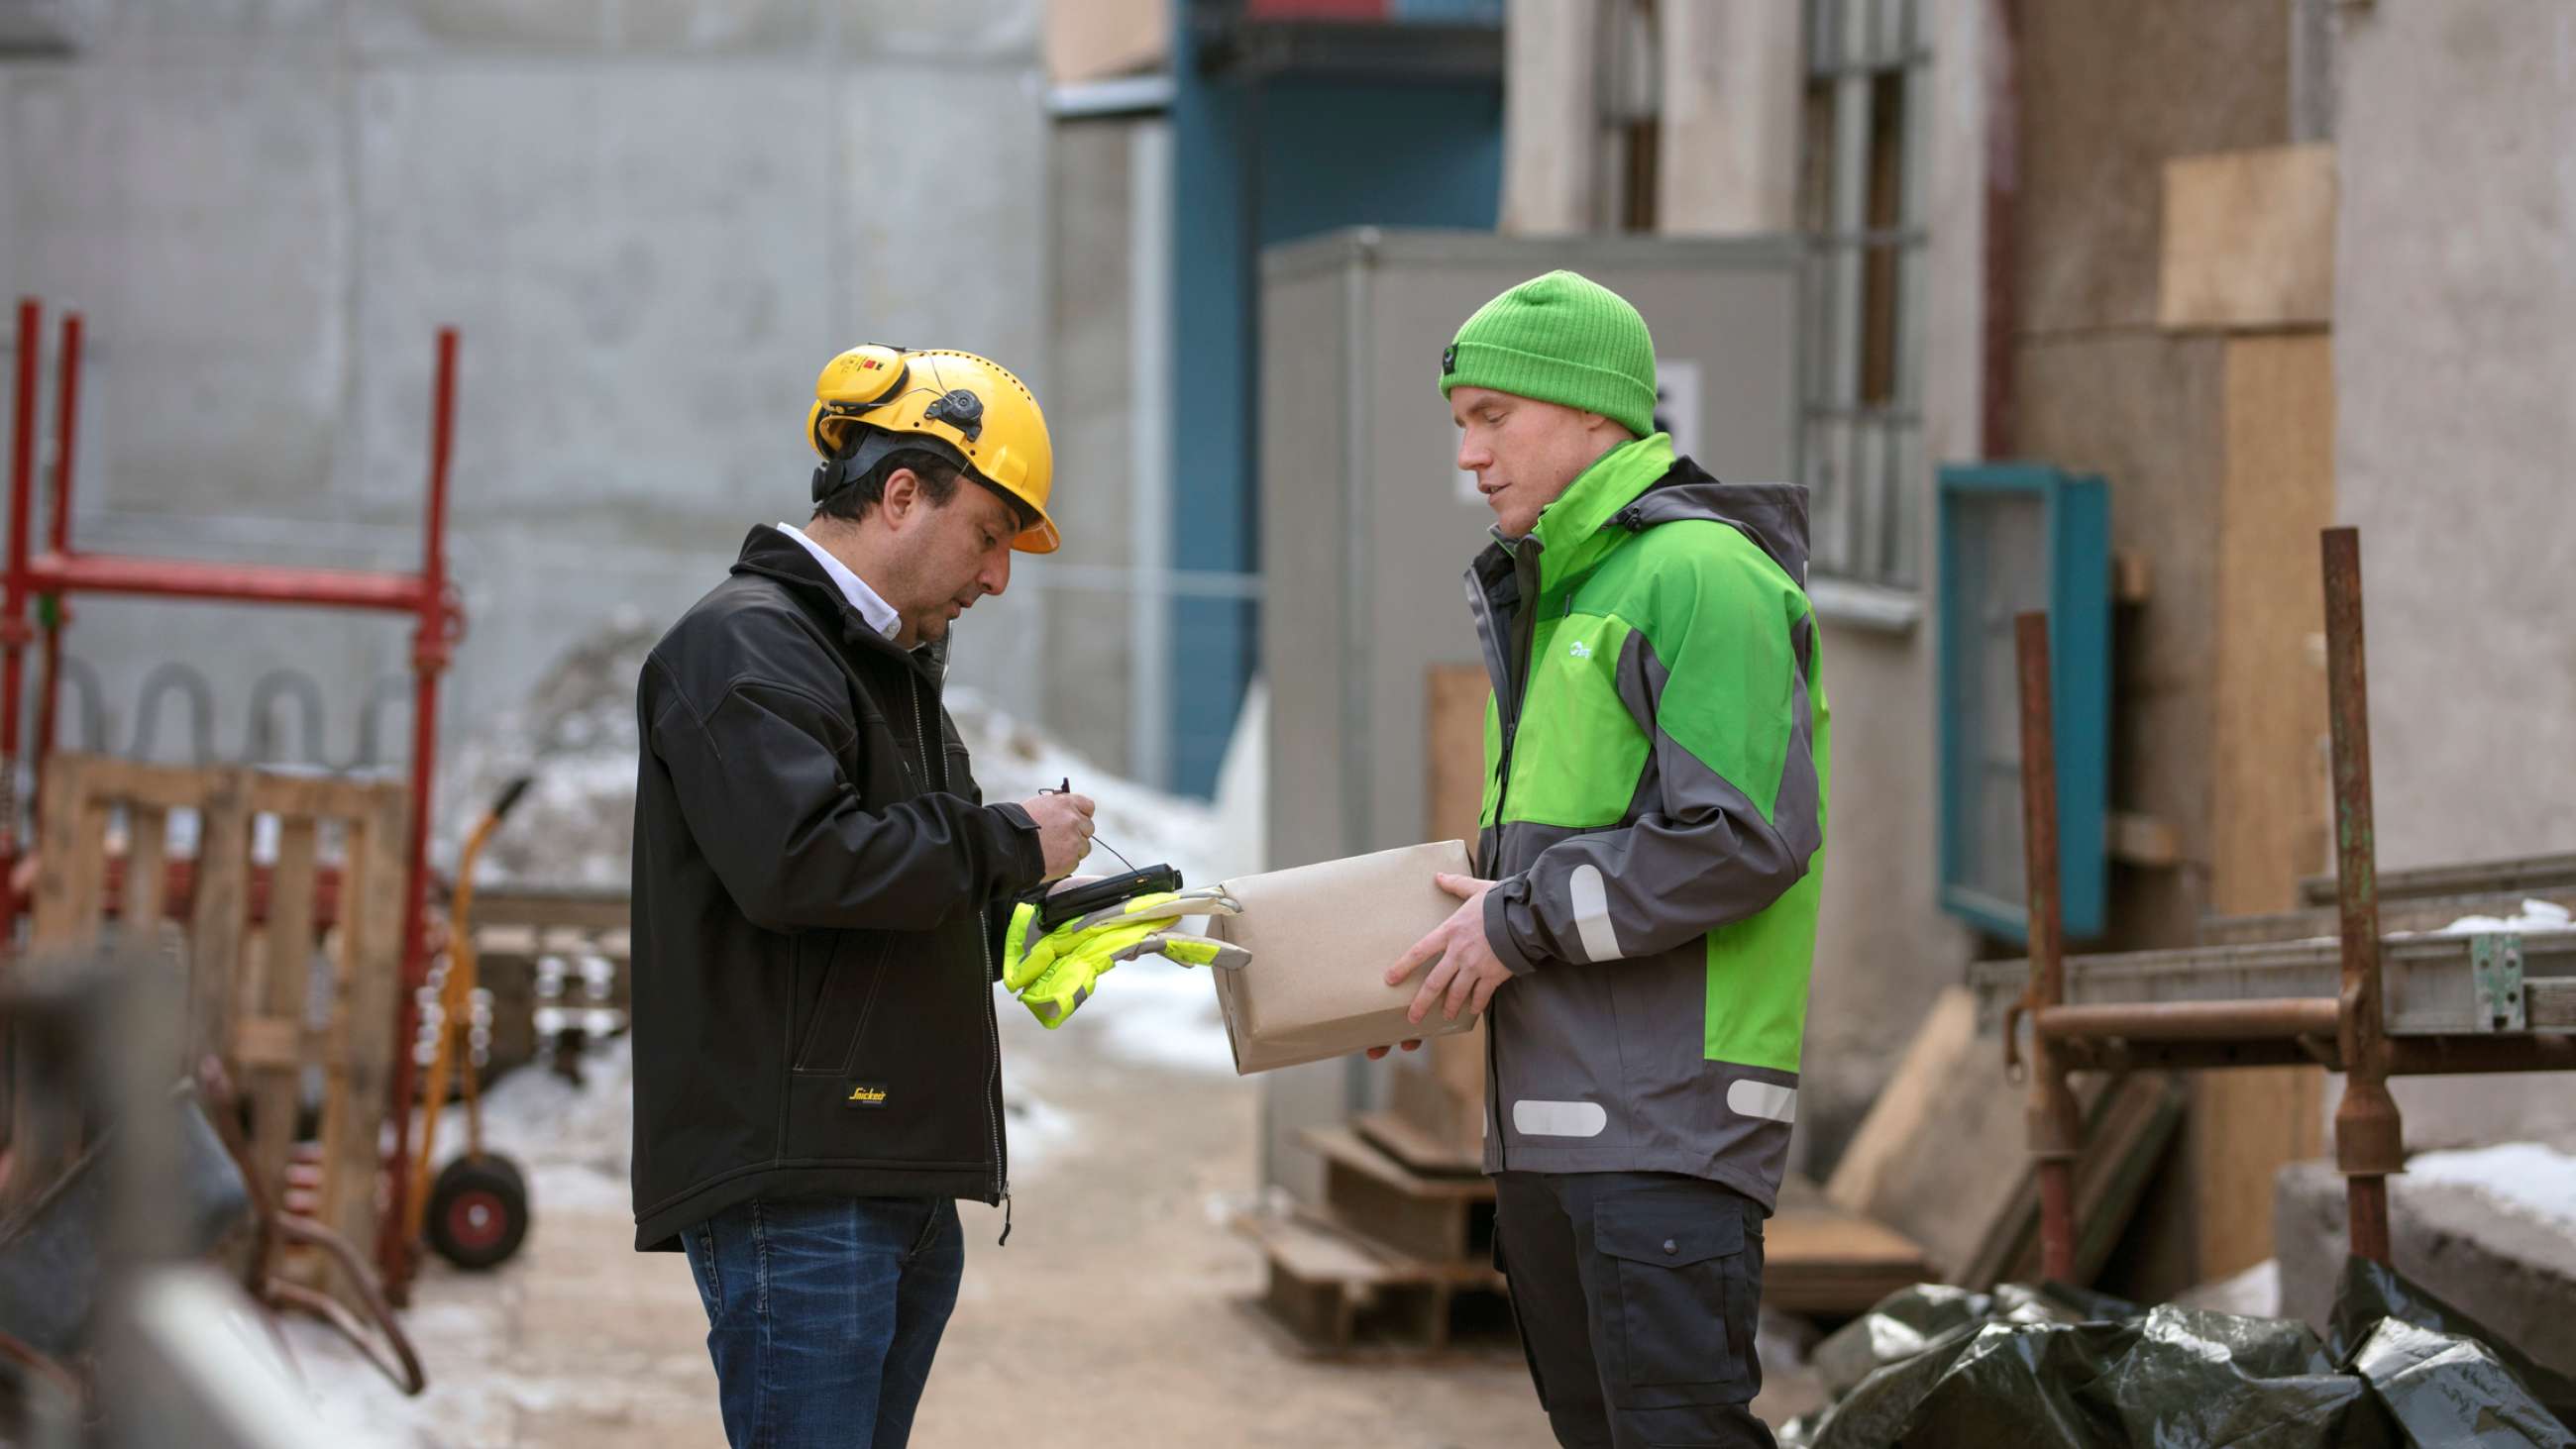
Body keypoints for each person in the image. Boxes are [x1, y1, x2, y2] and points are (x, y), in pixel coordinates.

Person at [1383, 270, 1832, 1449]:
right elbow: (1537, 868)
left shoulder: (1697, 574)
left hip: (1664, 1133)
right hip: (1557, 1130)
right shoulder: (1567, 590)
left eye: (1492, 417)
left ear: (1593, 414)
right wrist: (1435, 952)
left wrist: (1512, 924)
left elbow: (1740, 837)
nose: (1470, 456)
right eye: (1458, 425)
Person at [628, 345, 1097, 1448]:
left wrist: (1057, 914)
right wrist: (1003, 841)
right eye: (989, 535)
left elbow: (916, 887)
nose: (995, 577)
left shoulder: (886, 667)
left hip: (882, 1170)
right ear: (899, 494)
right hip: (801, 1180)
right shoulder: (742, 648)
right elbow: (802, 861)